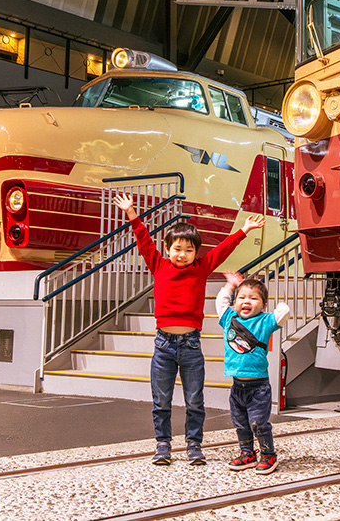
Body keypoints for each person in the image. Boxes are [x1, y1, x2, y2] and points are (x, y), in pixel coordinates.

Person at [112, 193, 264, 466]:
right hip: (163, 346)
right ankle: (163, 445)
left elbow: (222, 249)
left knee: (195, 400)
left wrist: (244, 230)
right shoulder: (158, 265)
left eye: (189, 250)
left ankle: (194, 445)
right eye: (177, 249)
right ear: (167, 248)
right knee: (161, 400)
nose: (182, 255)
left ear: (196, 252)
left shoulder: (200, 268)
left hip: (191, 345)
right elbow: (144, 240)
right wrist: (132, 213)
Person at [216, 272, 290, 475]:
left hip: (259, 387)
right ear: (235, 302)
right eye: (241, 297)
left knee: (258, 423)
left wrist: (281, 306)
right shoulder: (229, 318)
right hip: (237, 386)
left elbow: (283, 313)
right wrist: (230, 286)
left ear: (263, 306)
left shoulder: (265, 321)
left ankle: (268, 455)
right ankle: (247, 453)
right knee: (240, 423)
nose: (246, 301)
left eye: (253, 298)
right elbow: (220, 303)